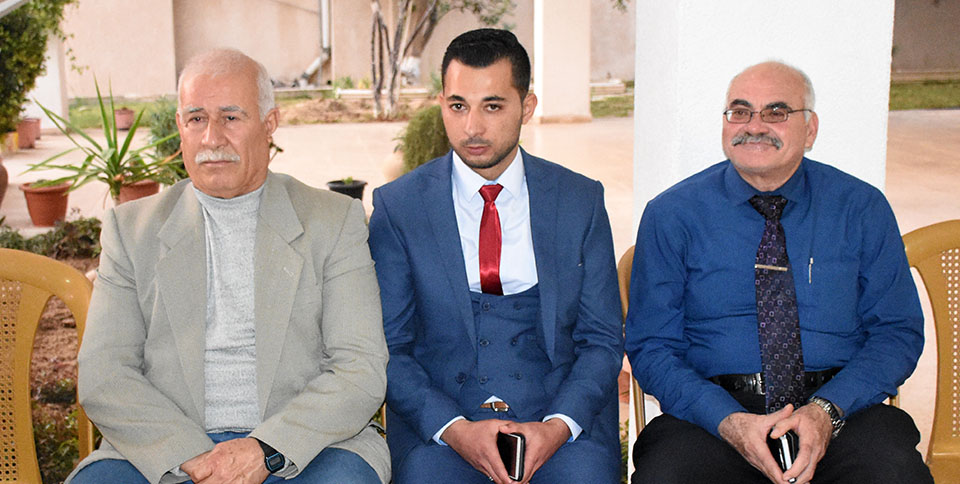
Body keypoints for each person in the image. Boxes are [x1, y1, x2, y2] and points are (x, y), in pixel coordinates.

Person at [66, 48, 390, 484]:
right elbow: (105, 373)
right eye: (196, 118)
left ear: (269, 125)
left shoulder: (332, 221)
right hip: (165, 447)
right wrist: (195, 457)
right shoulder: (132, 230)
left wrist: (263, 450)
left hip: (305, 446)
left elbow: (359, 367)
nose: (212, 138)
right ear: (180, 126)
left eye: (231, 117)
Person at [625, 61, 933, 484]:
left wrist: (826, 410)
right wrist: (727, 419)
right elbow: (651, 345)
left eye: (776, 112)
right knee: (668, 476)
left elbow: (897, 332)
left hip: (841, 412)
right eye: (740, 112)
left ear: (810, 129)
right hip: (712, 417)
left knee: (893, 474)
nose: (754, 126)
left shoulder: (861, 208)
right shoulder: (672, 215)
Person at [368, 29, 623, 484]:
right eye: (458, 106)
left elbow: (601, 340)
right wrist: (454, 429)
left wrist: (558, 425)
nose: (472, 128)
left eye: (492, 106)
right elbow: (389, 347)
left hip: (560, 425)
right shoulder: (399, 208)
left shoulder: (580, 200)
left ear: (527, 106)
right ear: (441, 104)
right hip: (443, 430)